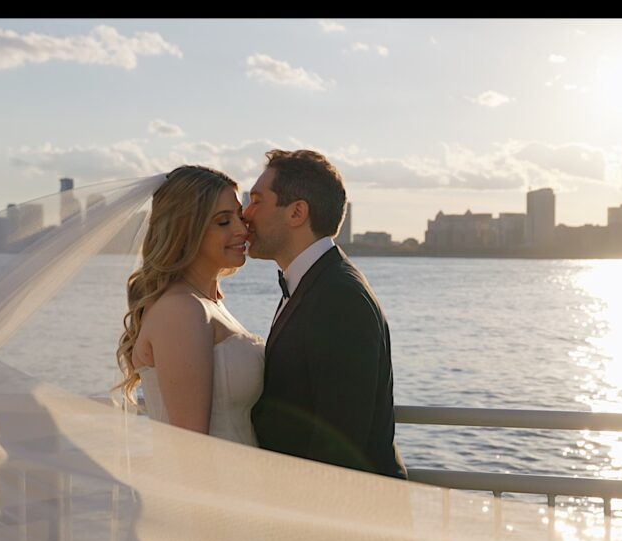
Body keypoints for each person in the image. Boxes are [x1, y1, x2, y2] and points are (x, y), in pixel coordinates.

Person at [244, 149, 407, 479]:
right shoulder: (315, 283)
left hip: (344, 518)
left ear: (297, 213)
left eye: (257, 201)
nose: (246, 214)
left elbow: (339, 443)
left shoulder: (339, 297)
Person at [116, 165, 262, 445]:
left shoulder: (208, 303)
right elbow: (190, 446)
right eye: (223, 222)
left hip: (244, 482)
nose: (242, 230)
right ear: (186, 230)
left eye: (239, 217)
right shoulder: (181, 310)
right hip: (215, 485)